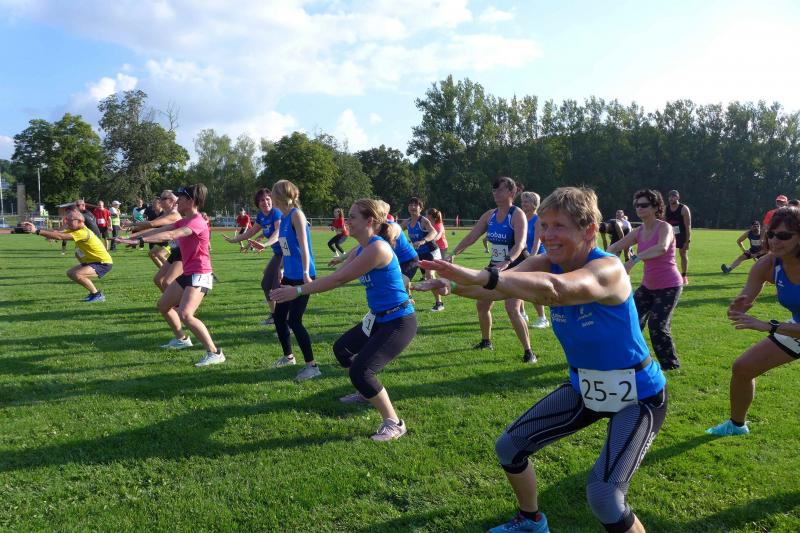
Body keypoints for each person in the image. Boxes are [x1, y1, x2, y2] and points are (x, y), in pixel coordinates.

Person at [414, 186, 667, 533]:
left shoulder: (608, 269)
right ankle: (531, 521)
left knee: (605, 495)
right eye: (544, 225)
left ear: (588, 230)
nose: (547, 235)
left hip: (638, 396)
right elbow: (498, 286)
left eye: (559, 226)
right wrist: (452, 286)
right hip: (585, 388)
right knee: (510, 447)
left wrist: (483, 276)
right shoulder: (547, 261)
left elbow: (554, 290)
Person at [272, 199, 416, 441]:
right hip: (378, 318)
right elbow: (337, 275)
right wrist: (303, 283)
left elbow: (338, 280)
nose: (347, 221)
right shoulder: (362, 249)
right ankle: (367, 392)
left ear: (369, 221)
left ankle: (394, 423)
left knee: (361, 371)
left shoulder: (377, 249)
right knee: (342, 350)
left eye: (352, 217)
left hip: (399, 321)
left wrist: (297, 291)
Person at [707, 206, 800, 436]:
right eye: (772, 234)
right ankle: (736, 426)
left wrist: (769, 326)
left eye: (784, 235)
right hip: (795, 327)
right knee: (743, 368)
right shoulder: (768, 264)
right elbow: (745, 300)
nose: (775, 241)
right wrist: (737, 308)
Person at [117, 184, 224, 367]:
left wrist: (140, 240)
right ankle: (182, 339)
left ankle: (215, 353)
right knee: (164, 305)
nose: (177, 202)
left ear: (191, 201)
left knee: (186, 314)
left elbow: (172, 234)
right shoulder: (184, 220)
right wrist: (132, 238)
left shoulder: (196, 222)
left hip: (200, 273)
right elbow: (158, 230)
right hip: (189, 272)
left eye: (180, 198)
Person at [446, 176, 534, 363]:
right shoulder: (490, 215)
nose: (495, 193)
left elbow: (520, 244)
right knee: (482, 305)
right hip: (496, 265)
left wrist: (507, 262)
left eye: (500, 190)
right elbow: (472, 237)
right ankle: (486, 342)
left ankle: (529, 352)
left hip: (516, 266)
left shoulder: (517, 214)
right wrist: (453, 253)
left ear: (512, 192)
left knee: (512, 308)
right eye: (494, 190)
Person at [609, 189, 683, 370]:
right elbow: (616, 246)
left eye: (644, 205)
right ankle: (630, 357)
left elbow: (661, 248)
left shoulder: (664, 227)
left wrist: (633, 260)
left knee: (657, 326)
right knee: (630, 320)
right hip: (648, 286)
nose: (639, 208)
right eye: (637, 205)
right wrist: (599, 257)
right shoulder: (639, 231)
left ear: (656, 207)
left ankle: (670, 366)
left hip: (669, 285)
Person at [269, 180, 320, 381]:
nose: (271, 197)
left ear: (281, 195)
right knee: (279, 316)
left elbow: (304, 246)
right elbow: (285, 248)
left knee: (294, 320)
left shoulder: (296, 215)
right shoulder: (283, 218)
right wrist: (281, 268)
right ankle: (288, 357)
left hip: (302, 275)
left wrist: (306, 272)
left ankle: (312, 366)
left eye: (273, 193)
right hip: (289, 274)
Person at [23, 206, 113, 302]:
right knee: (70, 273)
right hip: (92, 261)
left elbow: (60, 236)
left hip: (103, 263)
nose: (67, 222)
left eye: (70, 220)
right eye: (67, 219)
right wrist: (36, 229)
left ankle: (97, 295)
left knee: (77, 274)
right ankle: (94, 293)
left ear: (80, 221)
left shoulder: (83, 232)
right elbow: (57, 232)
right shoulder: (75, 229)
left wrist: (37, 231)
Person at [224, 188, 283, 325]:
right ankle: (275, 316)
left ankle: (284, 320)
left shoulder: (276, 212)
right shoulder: (261, 216)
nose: (265, 202)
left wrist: (265, 244)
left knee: (277, 287)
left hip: (288, 253)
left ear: (272, 200)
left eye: (267, 199)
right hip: (278, 253)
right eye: (262, 200)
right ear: (258, 203)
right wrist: (234, 240)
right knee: (266, 284)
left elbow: (278, 232)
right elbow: (250, 233)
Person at [129, 191, 182, 291]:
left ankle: (175, 278)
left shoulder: (173, 215)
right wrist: (130, 237)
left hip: (179, 248)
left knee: (167, 279)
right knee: (158, 279)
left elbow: (152, 224)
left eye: (163, 199)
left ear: (171, 201)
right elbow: (153, 228)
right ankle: (170, 298)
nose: (160, 201)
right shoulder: (166, 214)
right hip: (174, 246)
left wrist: (132, 225)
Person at [402, 197, 443, 311]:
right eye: (410, 205)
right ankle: (409, 298)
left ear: (420, 208)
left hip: (431, 252)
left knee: (430, 276)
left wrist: (423, 241)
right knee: (405, 274)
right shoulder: (407, 222)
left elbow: (433, 232)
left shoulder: (423, 221)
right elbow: (396, 232)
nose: (412, 207)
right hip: (417, 254)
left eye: (415, 205)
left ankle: (439, 303)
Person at [520, 191, 549, 329]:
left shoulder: (537, 220)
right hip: (522, 256)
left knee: (534, 288)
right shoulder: (521, 217)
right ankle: (522, 313)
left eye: (526, 201)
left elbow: (537, 242)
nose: (523, 204)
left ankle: (543, 318)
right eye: (522, 201)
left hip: (536, 256)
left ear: (534, 204)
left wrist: (531, 259)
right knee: (517, 285)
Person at [665, 190, 691, 285]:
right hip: (670, 235)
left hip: (682, 235)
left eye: (674, 196)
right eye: (670, 196)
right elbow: (664, 224)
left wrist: (688, 241)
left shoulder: (684, 209)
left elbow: (688, 226)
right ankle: (669, 275)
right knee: (667, 256)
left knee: (683, 254)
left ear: (678, 197)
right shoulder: (666, 209)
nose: (671, 198)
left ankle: (684, 276)